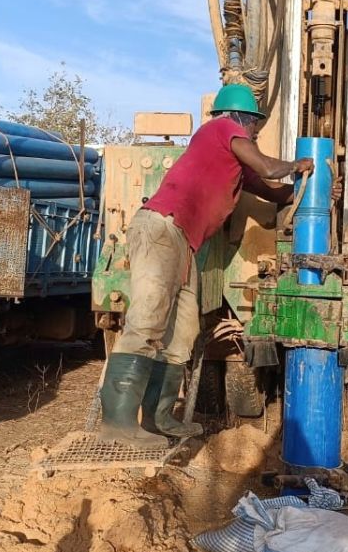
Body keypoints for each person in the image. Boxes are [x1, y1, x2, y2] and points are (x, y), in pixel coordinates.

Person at [99, 83, 319, 449]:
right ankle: (118, 423)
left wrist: (315, 188)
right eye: (255, 125)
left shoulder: (235, 166)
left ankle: (159, 418)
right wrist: (296, 165)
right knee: (148, 319)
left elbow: (275, 191)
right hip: (161, 228)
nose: (255, 133)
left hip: (184, 243)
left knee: (184, 331)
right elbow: (268, 166)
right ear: (240, 118)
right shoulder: (219, 128)